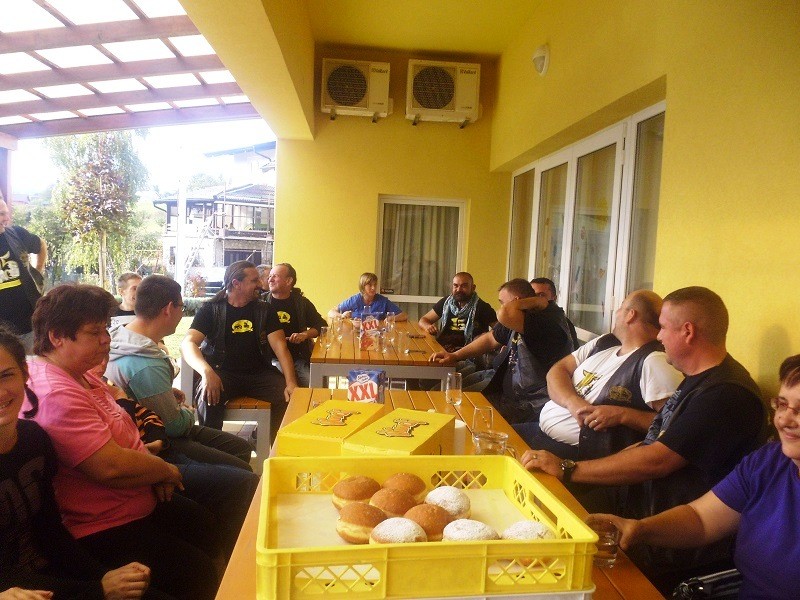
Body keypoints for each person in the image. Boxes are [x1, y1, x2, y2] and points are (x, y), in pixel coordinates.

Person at [522, 286, 767, 587]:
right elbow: (652, 440)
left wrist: (568, 468)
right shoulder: (698, 379)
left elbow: (658, 460)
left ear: (688, 332)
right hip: (639, 508)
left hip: (669, 542)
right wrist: (576, 467)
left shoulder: (725, 395)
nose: (659, 337)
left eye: (663, 327)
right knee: (542, 515)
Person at [23, 284, 220, 600]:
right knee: (201, 566)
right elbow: (110, 467)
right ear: (57, 337)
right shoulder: (55, 392)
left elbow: (125, 423)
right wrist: (164, 471)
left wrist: (152, 468)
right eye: (94, 332)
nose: (106, 339)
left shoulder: (80, 373)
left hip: (138, 491)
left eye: (105, 329)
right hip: (102, 524)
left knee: (208, 526)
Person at [592, 354, 800, 599]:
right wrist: (639, 529)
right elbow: (701, 519)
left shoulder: (727, 393)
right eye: (782, 405)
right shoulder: (769, 462)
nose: (784, 419)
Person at [0, 325, 171, 600]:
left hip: (58, 574)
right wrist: (98, 589)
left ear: (24, 373)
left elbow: (51, 530)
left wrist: (101, 576)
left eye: (6, 375)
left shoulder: (33, 440)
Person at [106, 275, 254, 469]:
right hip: (157, 440)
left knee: (241, 447)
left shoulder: (122, 336)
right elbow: (174, 426)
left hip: (147, 425)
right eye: (181, 307)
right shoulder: (146, 363)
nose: (182, 313)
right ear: (169, 309)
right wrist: (188, 411)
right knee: (242, 470)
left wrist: (167, 395)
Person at [514, 290, 683, 460]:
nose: (616, 313)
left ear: (630, 315)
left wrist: (624, 415)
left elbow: (673, 426)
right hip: (539, 430)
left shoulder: (654, 361)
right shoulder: (605, 342)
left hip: (575, 455)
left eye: (620, 308)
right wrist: (572, 402)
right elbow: (557, 370)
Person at [181, 260, 297, 443]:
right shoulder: (211, 309)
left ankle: (277, 448)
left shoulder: (265, 309)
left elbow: (280, 347)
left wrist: (291, 383)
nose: (260, 284)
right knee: (208, 395)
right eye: (254, 280)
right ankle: (213, 451)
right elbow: (188, 343)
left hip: (259, 374)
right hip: (222, 373)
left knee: (287, 396)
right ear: (236, 283)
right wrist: (207, 372)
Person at [431, 278, 575, 424]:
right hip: (507, 396)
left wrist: (539, 301)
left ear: (516, 301)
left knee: (463, 416)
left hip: (531, 405)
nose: (501, 306)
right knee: (449, 404)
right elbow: (490, 339)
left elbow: (504, 313)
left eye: (502, 302)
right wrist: (455, 356)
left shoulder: (545, 321)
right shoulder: (522, 317)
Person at [262, 263, 327, 387]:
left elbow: (321, 325)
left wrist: (305, 335)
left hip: (299, 358)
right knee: (282, 384)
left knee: (315, 385)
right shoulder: (261, 303)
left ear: (288, 281)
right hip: (271, 359)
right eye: (269, 276)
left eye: (275, 276)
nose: (270, 280)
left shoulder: (301, 303)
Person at [0, 195, 47, 353]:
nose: (6, 218)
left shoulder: (17, 234)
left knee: (32, 366)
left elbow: (41, 245)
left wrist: (37, 270)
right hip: (2, 337)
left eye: (6, 213)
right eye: (1, 214)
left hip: (28, 328)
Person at [418, 272, 497, 354]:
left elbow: (500, 331)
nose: (459, 289)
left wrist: (484, 337)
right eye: (455, 286)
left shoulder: (483, 307)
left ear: (473, 288)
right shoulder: (446, 303)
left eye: (464, 286)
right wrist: (427, 326)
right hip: (443, 349)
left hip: (469, 354)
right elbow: (424, 320)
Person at [329, 272, 408, 322]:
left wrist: (392, 318)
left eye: (375, 285)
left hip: (377, 334)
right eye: (370, 285)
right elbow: (331, 312)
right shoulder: (355, 300)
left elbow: (404, 315)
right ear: (363, 286)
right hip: (356, 335)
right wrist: (341, 316)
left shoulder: (382, 301)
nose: (373, 288)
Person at [530, 277, 579, 347]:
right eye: (532, 295)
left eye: (541, 295)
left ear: (554, 299)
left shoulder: (561, 324)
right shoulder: (524, 318)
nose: (535, 299)